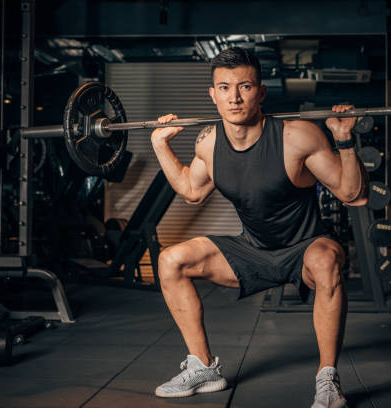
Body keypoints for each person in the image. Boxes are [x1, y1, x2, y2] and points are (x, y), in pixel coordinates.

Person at [149, 47, 368, 408]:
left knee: (328, 259)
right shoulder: (209, 143)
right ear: (213, 95)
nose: (234, 97)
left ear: (261, 92)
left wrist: (344, 140)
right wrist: (160, 145)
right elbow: (191, 191)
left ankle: (328, 379)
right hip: (252, 250)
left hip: (305, 249)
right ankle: (204, 367)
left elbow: (353, 194)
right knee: (171, 260)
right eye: (224, 87)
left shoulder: (297, 136)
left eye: (245, 86)